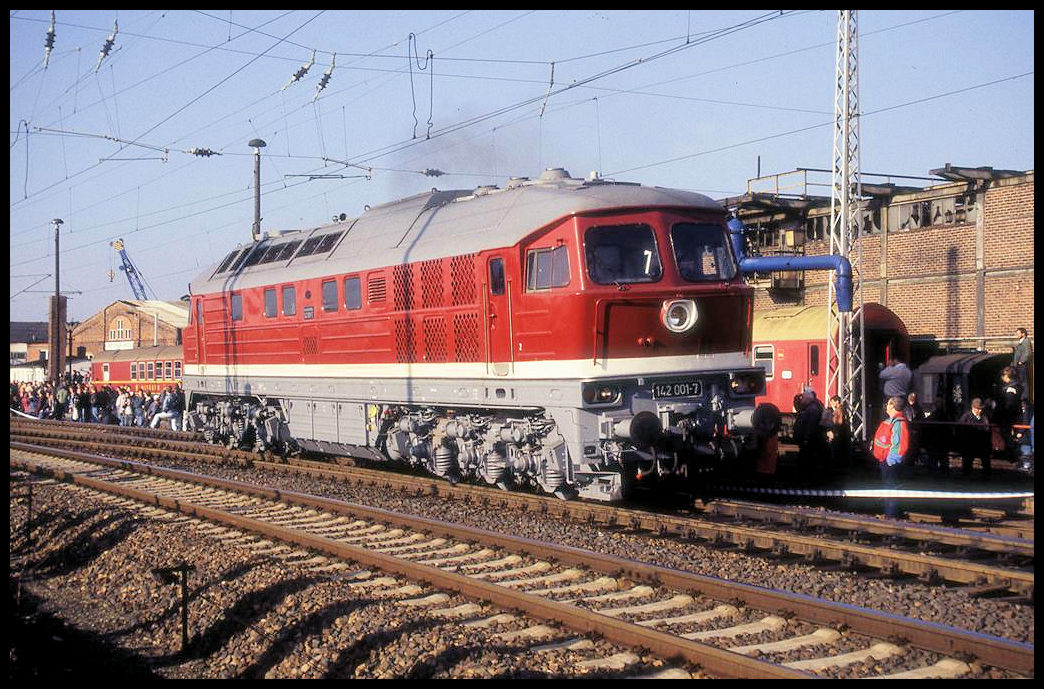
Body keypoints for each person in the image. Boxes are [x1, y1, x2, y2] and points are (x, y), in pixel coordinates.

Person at [872, 396, 910, 518]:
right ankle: (891, 513)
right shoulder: (893, 421)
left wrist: (891, 460)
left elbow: (899, 444)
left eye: (888, 404)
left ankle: (891, 515)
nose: (886, 406)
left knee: (891, 488)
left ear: (893, 406)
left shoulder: (898, 423)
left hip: (890, 461)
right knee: (889, 487)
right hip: (885, 459)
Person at [793, 389, 827, 481]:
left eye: (803, 397)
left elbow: (811, 425)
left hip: (809, 439)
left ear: (808, 399)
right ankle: (807, 478)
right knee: (808, 458)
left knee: (807, 459)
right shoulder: (813, 406)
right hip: (811, 438)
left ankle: (806, 479)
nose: (802, 399)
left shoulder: (812, 409)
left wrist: (806, 438)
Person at [958, 398, 992, 478]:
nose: (980, 410)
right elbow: (960, 427)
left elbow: (987, 428)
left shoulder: (983, 417)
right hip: (969, 441)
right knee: (968, 459)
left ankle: (986, 475)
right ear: (973, 407)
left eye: (980, 409)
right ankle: (966, 474)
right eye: (978, 409)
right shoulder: (966, 416)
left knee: (985, 458)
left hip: (981, 441)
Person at [824, 395, 851, 474]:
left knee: (836, 453)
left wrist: (833, 433)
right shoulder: (843, 409)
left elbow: (838, 423)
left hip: (837, 436)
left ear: (837, 402)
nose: (831, 403)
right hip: (842, 435)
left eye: (832, 402)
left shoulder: (838, 410)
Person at [1012, 328, 1032, 397]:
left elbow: (1028, 353)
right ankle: (1022, 396)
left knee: (1023, 381)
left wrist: (1021, 361)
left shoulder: (1026, 341)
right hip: (1018, 365)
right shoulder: (1021, 341)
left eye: (1018, 333)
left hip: (1022, 365)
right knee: (1020, 381)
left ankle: (1025, 398)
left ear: (1023, 334)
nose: (1017, 335)